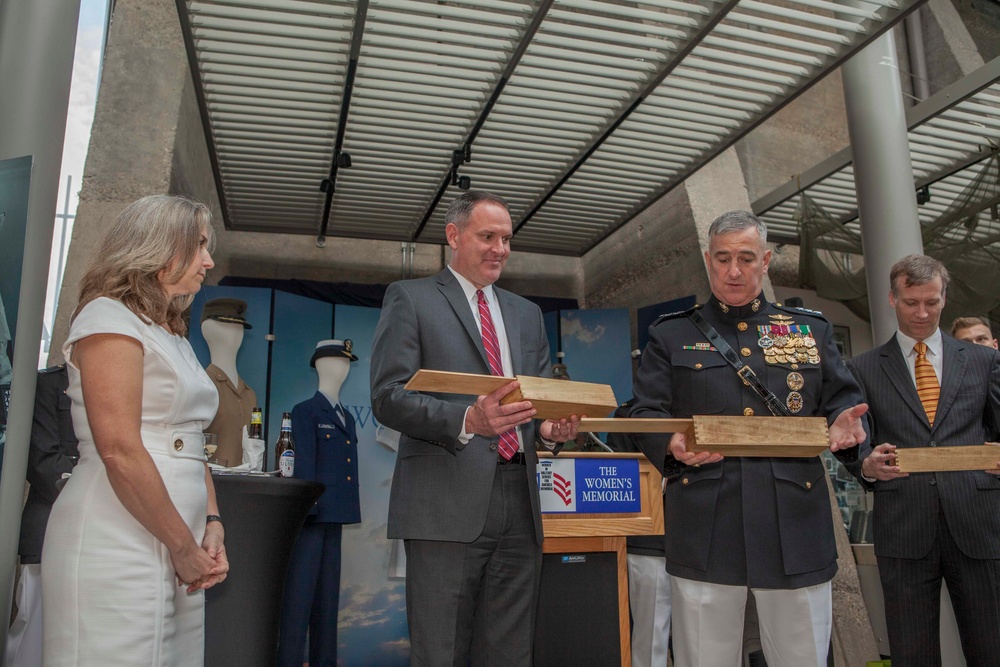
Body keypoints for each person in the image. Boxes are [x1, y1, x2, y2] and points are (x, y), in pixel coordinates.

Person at [629, 210, 869, 667]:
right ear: (707, 260)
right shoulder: (671, 333)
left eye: (744, 258)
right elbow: (645, 411)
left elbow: (844, 403)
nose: (733, 271)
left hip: (793, 525)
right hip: (705, 524)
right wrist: (670, 447)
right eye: (722, 259)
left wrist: (848, 429)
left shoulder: (808, 330)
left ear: (765, 260)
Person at [370, 190, 581, 666]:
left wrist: (550, 430)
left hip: (521, 503)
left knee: (509, 652)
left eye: (506, 238)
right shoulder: (411, 298)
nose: (499, 249)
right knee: (441, 650)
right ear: (453, 235)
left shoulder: (527, 314)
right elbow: (388, 396)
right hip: (443, 504)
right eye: (488, 236)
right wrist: (467, 419)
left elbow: (536, 405)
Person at [42, 195, 229, 666]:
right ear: (159, 247)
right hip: (116, 534)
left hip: (177, 535)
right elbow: (121, 450)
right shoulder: (107, 318)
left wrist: (210, 522)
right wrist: (183, 546)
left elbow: (188, 440)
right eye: (200, 245)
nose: (209, 260)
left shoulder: (171, 331)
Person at [847, 255, 1000, 666]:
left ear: (944, 298)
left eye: (931, 302)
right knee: (912, 655)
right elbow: (854, 443)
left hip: (979, 524)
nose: (922, 312)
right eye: (912, 302)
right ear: (892, 299)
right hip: (904, 529)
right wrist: (866, 465)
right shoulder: (861, 369)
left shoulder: (984, 362)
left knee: (992, 648)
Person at [277, 339, 362, 667]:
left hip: (335, 517)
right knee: (298, 604)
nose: (343, 368)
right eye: (337, 362)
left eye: (346, 363)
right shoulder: (305, 412)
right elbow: (304, 467)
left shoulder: (348, 419)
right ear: (321, 365)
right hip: (312, 520)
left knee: (327, 607)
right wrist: (306, 511)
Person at [6, 366, 78, 667]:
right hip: (50, 527)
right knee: (33, 639)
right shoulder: (49, 384)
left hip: (105, 535)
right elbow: (42, 462)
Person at [606, 398, 672, 667]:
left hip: (705, 545)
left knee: (705, 641)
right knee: (650, 641)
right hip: (651, 544)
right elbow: (619, 478)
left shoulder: (712, 407)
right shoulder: (631, 412)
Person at [201, 297, 257, 466]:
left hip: (244, 485)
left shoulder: (249, 394)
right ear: (207, 330)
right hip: (208, 485)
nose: (235, 333)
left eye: (239, 327)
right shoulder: (201, 385)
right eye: (225, 326)